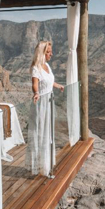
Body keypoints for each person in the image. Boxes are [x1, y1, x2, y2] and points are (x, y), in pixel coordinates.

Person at [27, 40, 64, 176]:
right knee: (40, 131)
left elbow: (49, 81)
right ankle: (39, 165)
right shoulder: (36, 68)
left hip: (49, 102)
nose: (51, 54)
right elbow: (35, 84)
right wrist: (36, 93)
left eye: (50, 51)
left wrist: (58, 86)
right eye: (48, 52)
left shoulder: (47, 66)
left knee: (48, 132)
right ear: (41, 53)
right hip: (41, 103)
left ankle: (47, 163)